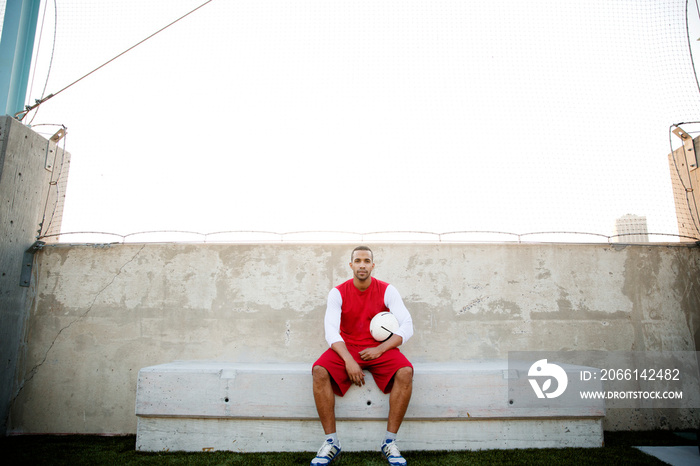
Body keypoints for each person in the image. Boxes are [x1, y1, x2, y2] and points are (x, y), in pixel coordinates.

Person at [310, 246, 414, 466]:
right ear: (351, 265)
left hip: (378, 348)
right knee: (319, 370)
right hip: (347, 348)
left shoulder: (387, 290)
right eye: (357, 261)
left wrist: (381, 349)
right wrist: (348, 359)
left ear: (373, 265)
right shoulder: (338, 292)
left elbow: (407, 325)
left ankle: (389, 442)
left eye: (367, 261)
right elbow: (331, 330)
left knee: (405, 371)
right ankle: (331, 442)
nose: (362, 265)